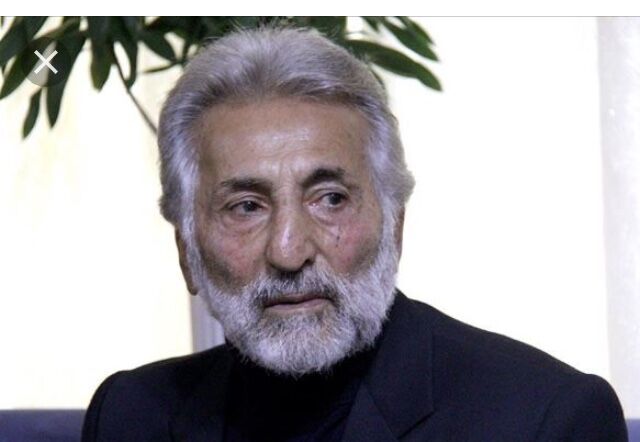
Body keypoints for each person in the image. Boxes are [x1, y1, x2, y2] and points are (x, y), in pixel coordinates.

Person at [81, 26, 628, 441]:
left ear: (395, 225)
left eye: (331, 199)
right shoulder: (129, 414)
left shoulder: (543, 419)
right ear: (186, 249)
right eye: (246, 207)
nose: (289, 251)